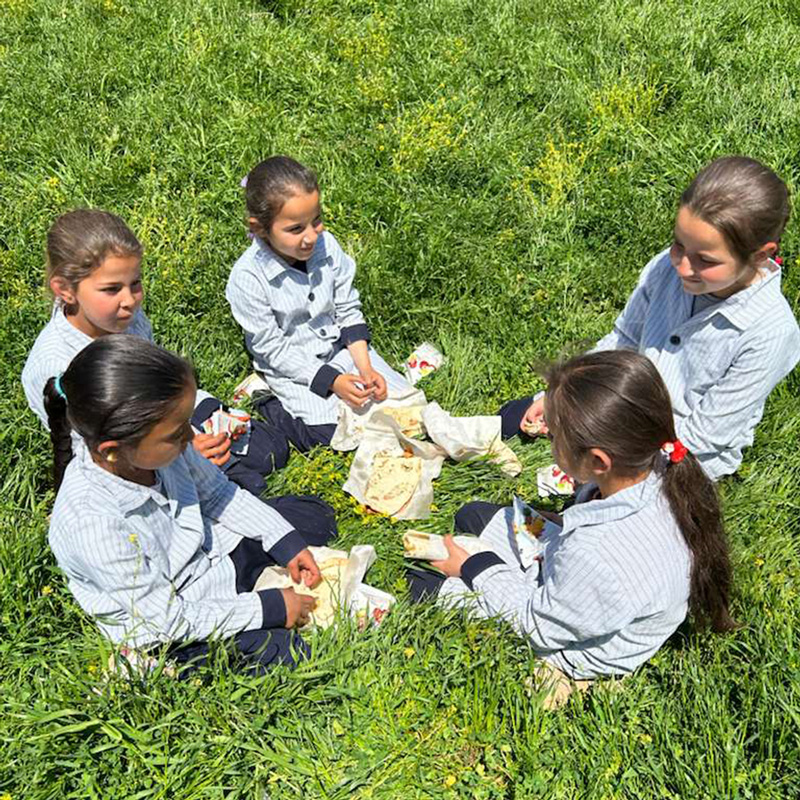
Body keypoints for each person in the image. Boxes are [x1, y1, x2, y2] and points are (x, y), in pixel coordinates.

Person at [413, 350, 734, 680]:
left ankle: (558, 673)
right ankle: (497, 560)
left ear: (598, 462)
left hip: (574, 641)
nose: (549, 441)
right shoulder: (660, 465)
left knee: (423, 580)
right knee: (474, 516)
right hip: (582, 588)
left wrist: (473, 568)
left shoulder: (596, 554)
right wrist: (562, 524)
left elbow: (536, 623)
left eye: (553, 437)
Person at [46, 336, 337, 673]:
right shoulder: (93, 523)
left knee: (313, 516)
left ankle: (252, 582)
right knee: (284, 653)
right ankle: (163, 662)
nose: (190, 436)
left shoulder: (163, 447)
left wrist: (283, 541)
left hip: (210, 558)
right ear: (114, 449)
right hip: (168, 617)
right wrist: (267, 608)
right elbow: (165, 619)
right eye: (176, 432)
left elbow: (218, 494)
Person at [501, 157, 800, 480]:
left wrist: (624, 462)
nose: (683, 266)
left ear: (760, 255)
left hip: (682, 451)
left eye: (705, 260)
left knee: (595, 503)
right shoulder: (666, 268)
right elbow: (623, 340)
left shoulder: (771, 333)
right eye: (678, 244)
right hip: (625, 403)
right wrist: (562, 394)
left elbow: (707, 434)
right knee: (512, 417)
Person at [22, 209, 290, 497]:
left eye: (135, 283)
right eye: (111, 289)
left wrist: (188, 433)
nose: (130, 300)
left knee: (272, 450)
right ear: (65, 289)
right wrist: (182, 451)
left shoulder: (123, 316)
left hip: (166, 416)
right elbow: (95, 456)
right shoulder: (59, 366)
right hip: (135, 456)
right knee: (253, 489)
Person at [225, 156, 412, 451]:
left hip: (342, 351)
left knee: (404, 410)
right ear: (260, 228)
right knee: (329, 436)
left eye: (316, 221)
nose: (311, 236)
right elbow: (272, 348)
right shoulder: (248, 278)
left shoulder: (328, 246)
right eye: (296, 229)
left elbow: (348, 308)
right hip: (294, 367)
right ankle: (265, 397)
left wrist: (365, 368)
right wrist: (332, 381)